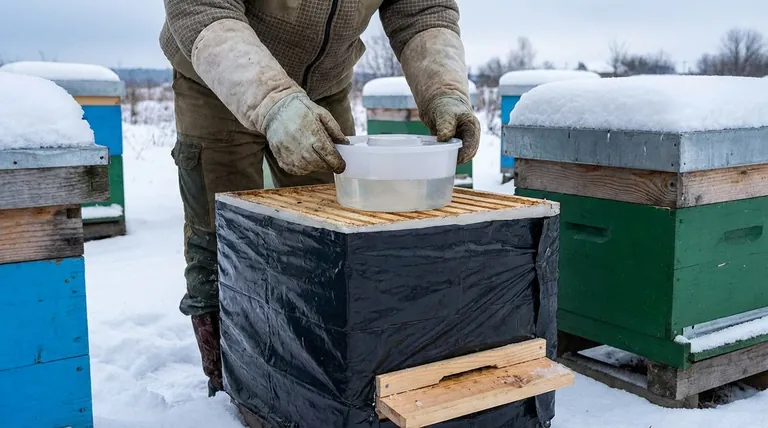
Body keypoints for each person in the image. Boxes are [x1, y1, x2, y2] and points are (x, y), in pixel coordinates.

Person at [160, 0, 481, 398]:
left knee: (335, 234)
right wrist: (273, 103)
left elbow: (422, 10)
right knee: (222, 235)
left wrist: (444, 90)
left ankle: (319, 375)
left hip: (324, 91)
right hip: (217, 82)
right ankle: (231, 386)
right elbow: (201, 7)